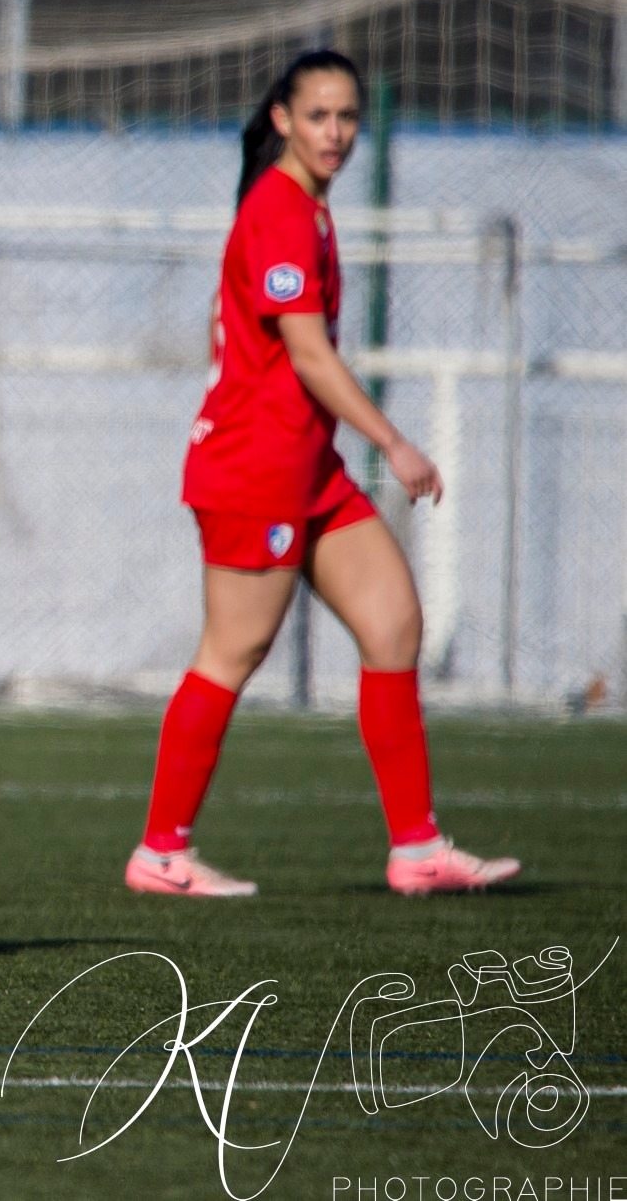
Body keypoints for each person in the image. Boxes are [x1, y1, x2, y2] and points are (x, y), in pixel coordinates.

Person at [129, 49, 520, 898]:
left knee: (394, 627)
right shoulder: (278, 207)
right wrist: (394, 442)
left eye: (347, 117)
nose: (336, 132)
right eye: (318, 116)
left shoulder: (306, 208)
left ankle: (416, 849)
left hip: (308, 469)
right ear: (282, 119)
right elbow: (307, 353)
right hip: (255, 472)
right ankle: (162, 850)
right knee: (234, 650)